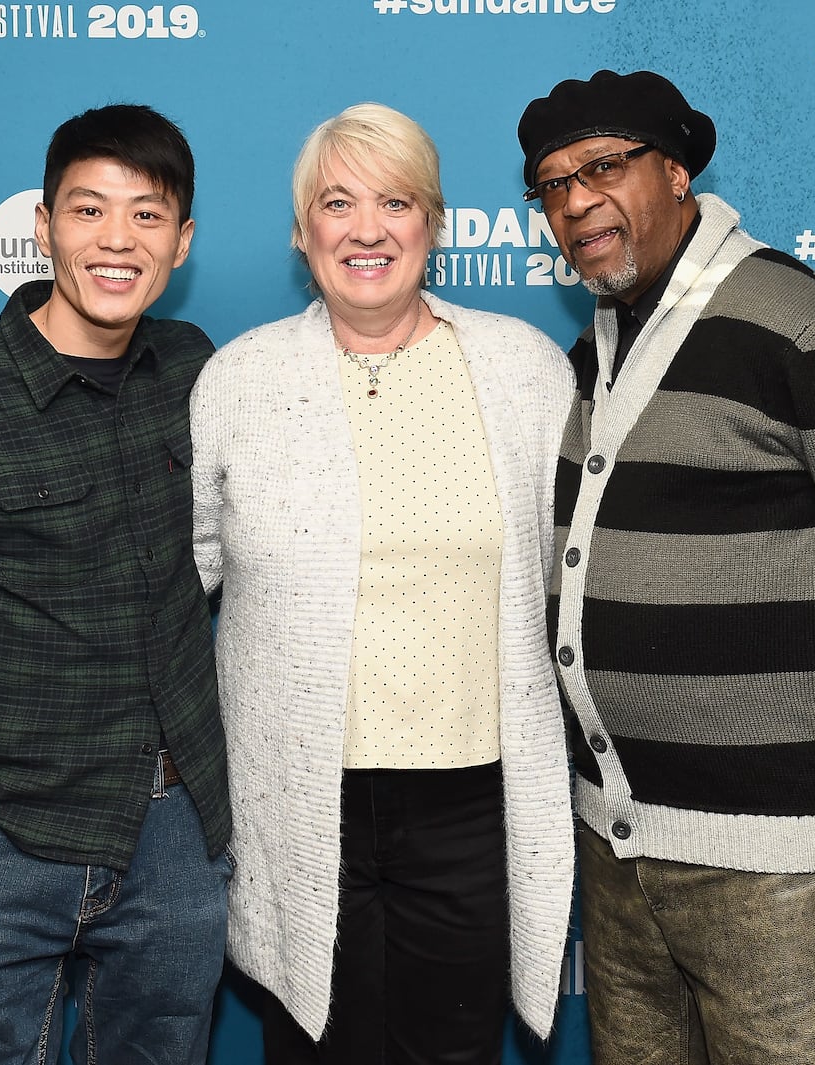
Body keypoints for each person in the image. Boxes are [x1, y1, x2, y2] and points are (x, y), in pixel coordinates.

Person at [517, 70, 815, 1065]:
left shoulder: (806, 329)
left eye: (602, 166)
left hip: (778, 866)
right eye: (551, 186)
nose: (574, 201)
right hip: (620, 851)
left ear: (679, 170)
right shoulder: (595, 350)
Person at [188, 103, 575, 1065]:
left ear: (434, 223)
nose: (367, 229)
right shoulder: (239, 381)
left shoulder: (525, 372)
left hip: (472, 806)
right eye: (337, 203)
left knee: (452, 1053)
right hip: (298, 803)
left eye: (396, 201)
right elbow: (172, 583)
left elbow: (579, 580)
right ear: (301, 231)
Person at [0, 103, 231, 1065]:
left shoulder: (198, 370)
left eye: (146, 216)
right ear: (44, 226)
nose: (115, 240)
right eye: (88, 209)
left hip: (176, 832)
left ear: (180, 242)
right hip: (6, 836)